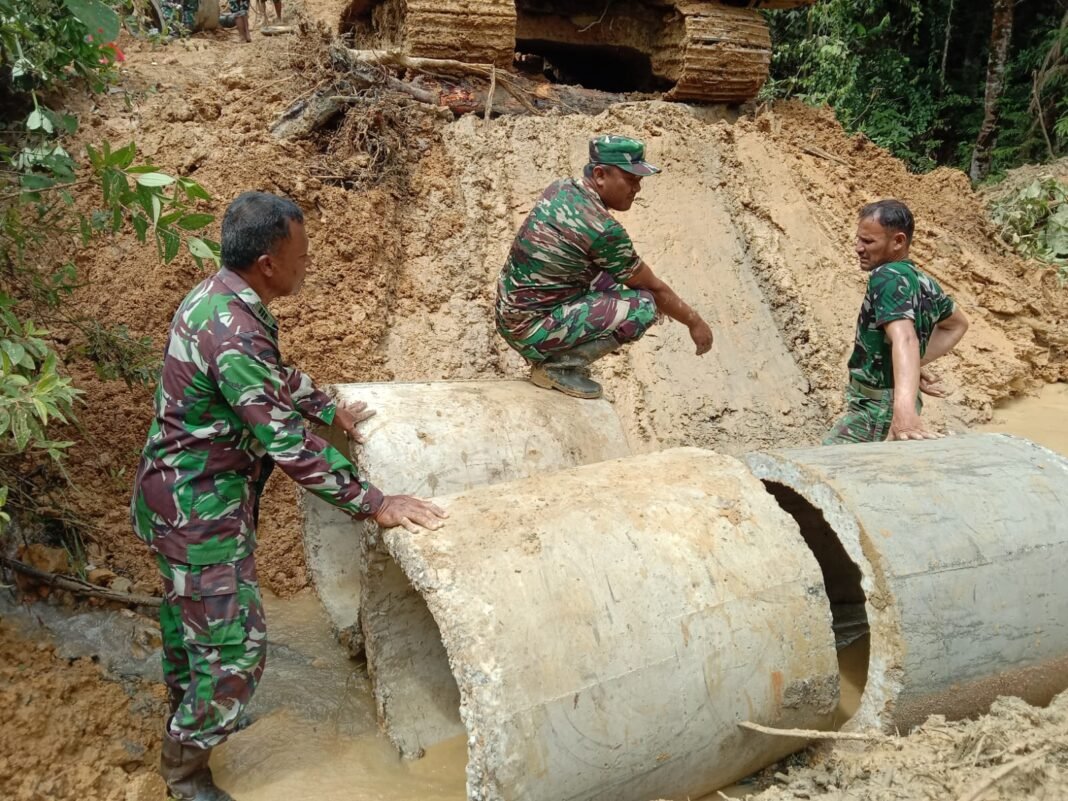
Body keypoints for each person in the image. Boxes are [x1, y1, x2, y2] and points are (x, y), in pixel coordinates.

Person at [130, 191, 446, 801]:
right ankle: (185, 774)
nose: (308, 265)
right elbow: (286, 442)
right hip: (200, 513)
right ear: (268, 263)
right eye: (301, 256)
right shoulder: (234, 330)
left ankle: (186, 721)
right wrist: (375, 501)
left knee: (188, 624)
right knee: (235, 654)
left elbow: (267, 376)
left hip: (175, 498)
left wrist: (326, 405)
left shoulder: (221, 299)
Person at [495, 134, 714, 399]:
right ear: (600, 175)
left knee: (611, 279)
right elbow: (653, 288)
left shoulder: (562, 188)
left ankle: (554, 353)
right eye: (631, 179)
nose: (637, 189)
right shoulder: (603, 230)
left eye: (639, 180)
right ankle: (556, 368)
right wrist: (694, 322)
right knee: (644, 305)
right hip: (530, 329)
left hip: (511, 316)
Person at [823, 199, 969, 445]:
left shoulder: (886, 277)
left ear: (898, 241)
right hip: (881, 405)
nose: (858, 248)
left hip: (877, 409)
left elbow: (905, 337)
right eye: (858, 239)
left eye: (868, 241)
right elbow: (957, 324)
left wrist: (904, 412)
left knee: (827, 462)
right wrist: (910, 367)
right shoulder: (922, 281)